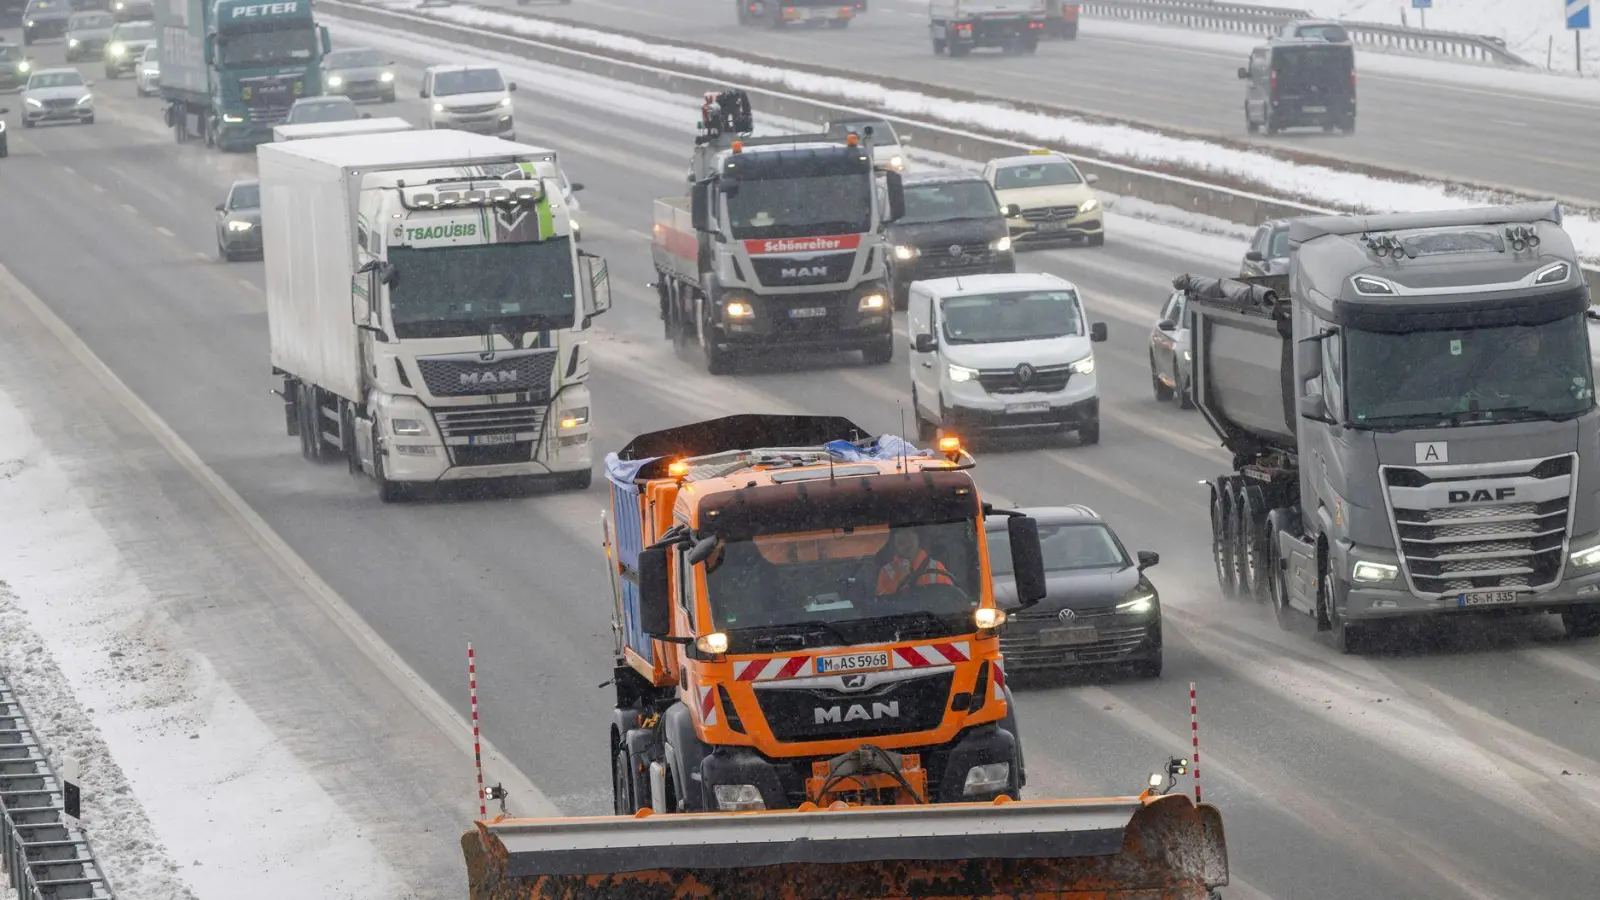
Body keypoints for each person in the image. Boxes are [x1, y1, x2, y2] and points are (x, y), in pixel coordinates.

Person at [876, 528, 955, 596]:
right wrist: (899, 577)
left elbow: (949, 599)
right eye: (901, 542)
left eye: (910, 541)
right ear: (894, 546)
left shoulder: (936, 567)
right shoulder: (886, 571)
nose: (906, 546)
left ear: (918, 541)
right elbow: (882, 605)